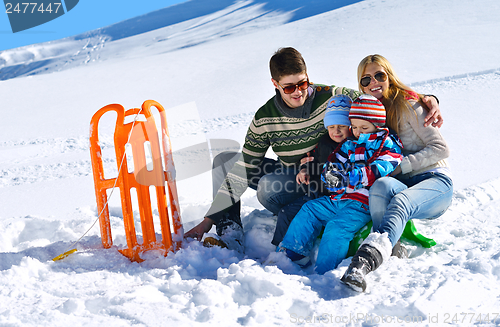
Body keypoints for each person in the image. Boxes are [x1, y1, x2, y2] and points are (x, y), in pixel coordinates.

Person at [184, 47, 442, 252]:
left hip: (325, 175)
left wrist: (425, 99)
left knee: (268, 187)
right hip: (292, 172)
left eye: (303, 83)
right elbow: (247, 164)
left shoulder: (332, 95)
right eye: (289, 87)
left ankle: (308, 217)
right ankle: (230, 234)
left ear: (308, 76)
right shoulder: (265, 117)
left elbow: (375, 96)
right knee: (226, 160)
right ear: (275, 83)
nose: (298, 92)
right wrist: (209, 219)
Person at [341, 54, 453, 292]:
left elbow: (441, 148)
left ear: (389, 76)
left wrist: (401, 166)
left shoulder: (410, 104)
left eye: (379, 75)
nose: (374, 83)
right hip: (403, 182)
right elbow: (330, 94)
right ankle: (391, 246)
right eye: (366, 79)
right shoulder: (369, 111)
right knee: (381, 186)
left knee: (401, 200)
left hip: (434, 181)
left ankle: (365, 262)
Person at [278, 95, 403, 274]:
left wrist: (348, 178)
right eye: (354, 127)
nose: (358, 132)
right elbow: (334, 162)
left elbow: (379, 169)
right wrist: (330, 176)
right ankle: (292, 251)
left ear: (378, 125)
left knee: (337, 228)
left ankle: (325, 271)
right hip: (340, 197)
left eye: (364, 127)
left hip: (363, 203)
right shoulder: (350, 145)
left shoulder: (387, 144)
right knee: (310, 209)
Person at [271, 94, 352, 247]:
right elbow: (312, 160)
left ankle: (300, 247)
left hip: (334, 199)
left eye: (342, 126)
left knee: (308, 215)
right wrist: (305, 170)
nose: (337, 131)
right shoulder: (323, 142)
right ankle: (279, 248)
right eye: (332, 127)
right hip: (315, 192)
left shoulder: (353, 147)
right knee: (285, 213)